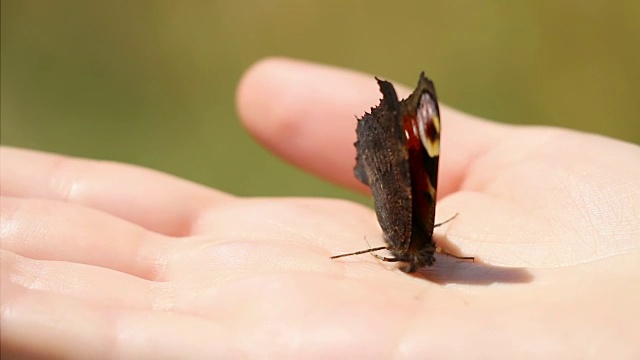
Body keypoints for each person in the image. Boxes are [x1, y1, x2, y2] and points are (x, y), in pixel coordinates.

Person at [1, 58, 638, 358]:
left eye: (423, 253)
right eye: (423, 254)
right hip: (394, 183)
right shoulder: (414, 230)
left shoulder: (417, 236)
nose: (427, 255)